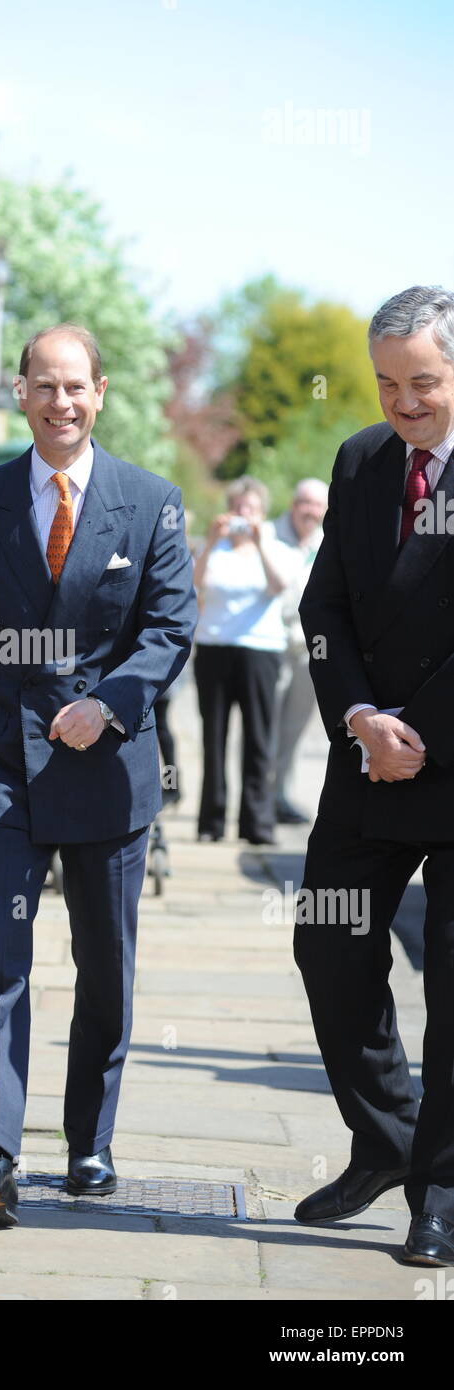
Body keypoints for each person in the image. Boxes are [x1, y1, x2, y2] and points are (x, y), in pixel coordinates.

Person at [0, 323, 197, 1226]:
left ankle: (89, 1141)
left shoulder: (149, 501)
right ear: (21, 392)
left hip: (106, 765)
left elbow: (169, 627)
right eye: (43, 387)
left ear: (99, 393)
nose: (60, 403)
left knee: (102, 964)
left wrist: (107, 702)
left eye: (75, 388)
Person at [293, 284, 454, 1266]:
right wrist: (358, 717)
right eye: (388, 382)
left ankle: (438, 1188)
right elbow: (325, 610)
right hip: (368, 759)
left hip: (445, 756)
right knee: (327, 947)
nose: (402, 403)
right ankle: (387, 1139)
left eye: (424, 382)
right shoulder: (359, 462)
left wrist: (416, 731)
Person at [192, 477, 296, 845]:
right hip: (215, 648)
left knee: (258, 740)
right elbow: (194, 583)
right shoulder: (215, 548)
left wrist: (260, 542)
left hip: (260, 650)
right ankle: (211, 822)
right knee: (213, 737)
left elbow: (280, 585)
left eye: (249, 508)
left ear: (262, 513)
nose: (242, 514)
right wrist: (211, 540)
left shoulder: (276, 546)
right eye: (237, 507)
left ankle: (257, 823)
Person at [271, 479, 328, 824]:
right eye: (304, 503)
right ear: (293, 504)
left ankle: (280, 795)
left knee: (294, 729)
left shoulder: (328, 542)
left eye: (316, 505)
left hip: (309, 649)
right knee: (265, 728)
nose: (309, 511)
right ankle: (256, 798)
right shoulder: (268, 535)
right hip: (272, 645)